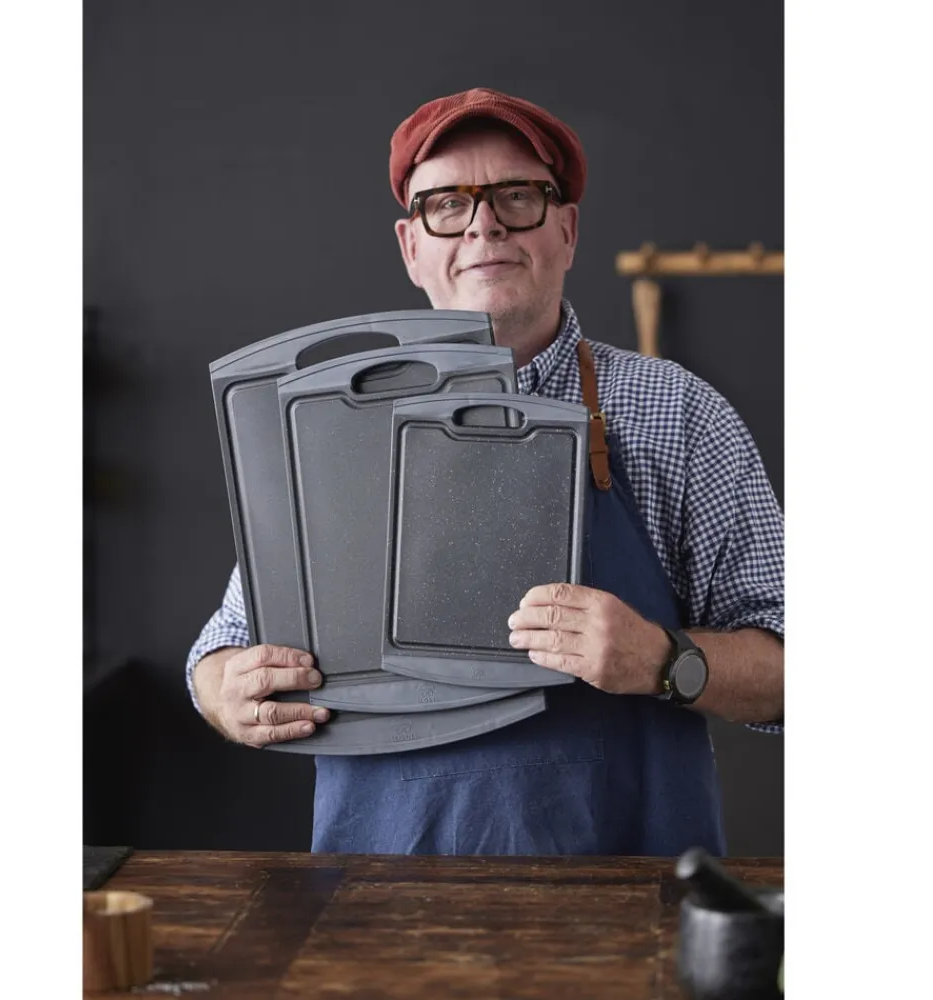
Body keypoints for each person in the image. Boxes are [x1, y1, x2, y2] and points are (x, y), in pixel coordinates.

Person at [185, 87, 784, 856]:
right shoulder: (329, 420)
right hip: (380, 894)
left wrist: (668, 661)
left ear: (567, 230)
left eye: (517, 197)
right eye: (448, 204)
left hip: (630, 896)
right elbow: (220, 652)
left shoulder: (678, 412)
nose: (484, 225)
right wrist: (227, 694)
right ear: (412, 247)